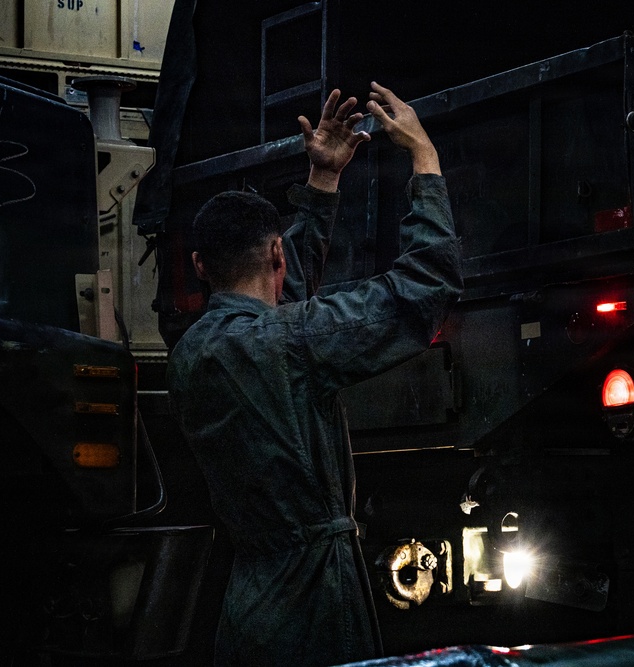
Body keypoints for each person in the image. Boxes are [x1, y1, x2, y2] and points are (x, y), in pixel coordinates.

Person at [167, 82, 463, 666]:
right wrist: (424, 157)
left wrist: (322, 181)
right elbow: (425, 288)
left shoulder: (194, 349)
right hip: (316, 604)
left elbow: (276, 303)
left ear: (200, 265)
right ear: (277, 253)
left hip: (249, 601)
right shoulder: (291, 343)